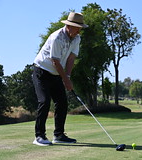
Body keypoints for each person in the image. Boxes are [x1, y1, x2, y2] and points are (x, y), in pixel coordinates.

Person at [32, 12, 88, 146]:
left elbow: (71, 59)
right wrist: (66, 80)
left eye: (80, 28)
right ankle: (39, 136)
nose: (79, 30)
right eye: (76, 27)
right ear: (68, 26)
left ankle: (59, 135)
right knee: (44, 101)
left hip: (56, 74)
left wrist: (67, 76)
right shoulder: (57, 37)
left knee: (62, 103)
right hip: (41, 72)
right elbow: (55, 61)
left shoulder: (76, 38)